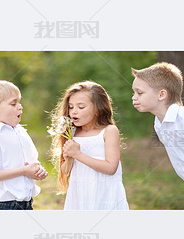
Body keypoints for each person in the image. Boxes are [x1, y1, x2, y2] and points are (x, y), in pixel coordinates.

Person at [131, 62, 184, 209]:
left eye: (140, 93)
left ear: (162, 94)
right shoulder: (159, 123)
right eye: (134, 92)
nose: (134, 97)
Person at [49, 80, 129, 210]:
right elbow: (66, 170)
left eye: (81, 107)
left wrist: (78, 154)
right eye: (71, 107)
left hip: (105, 194)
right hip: (80, 194)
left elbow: (110, 168)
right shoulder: (72, 132)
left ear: (98, 109)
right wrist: (69, 156)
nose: (74, 111)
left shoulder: (108, 131)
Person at [0, 79, 48, 210]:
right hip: (3, 205)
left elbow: (27, 162)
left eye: (19, 102)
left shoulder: (20, 131)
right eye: (13, 103)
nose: (20, 106)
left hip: (26, 203)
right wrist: (23, 171)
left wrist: (36, 171)